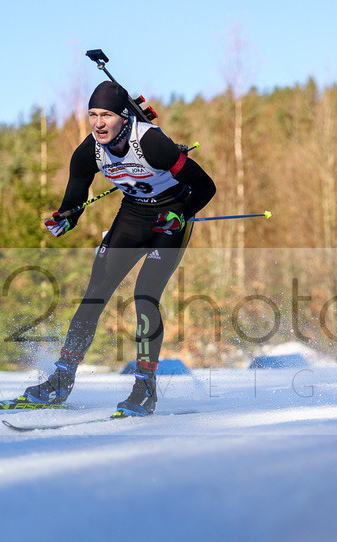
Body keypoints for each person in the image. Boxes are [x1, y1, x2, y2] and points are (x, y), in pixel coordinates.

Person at [23, 80, 216, 416]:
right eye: (93, 114)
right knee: (95, 293)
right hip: (133, 216)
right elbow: (75, 195)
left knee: (145, 295)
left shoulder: (152, 143)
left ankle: (144, 387)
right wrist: (68, 216)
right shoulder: (90, 151)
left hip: (171, 216)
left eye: (107, 115)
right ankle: (61, 378)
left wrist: (181, 215)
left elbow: (205, 186)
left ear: (124, 118)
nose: (98, 122)